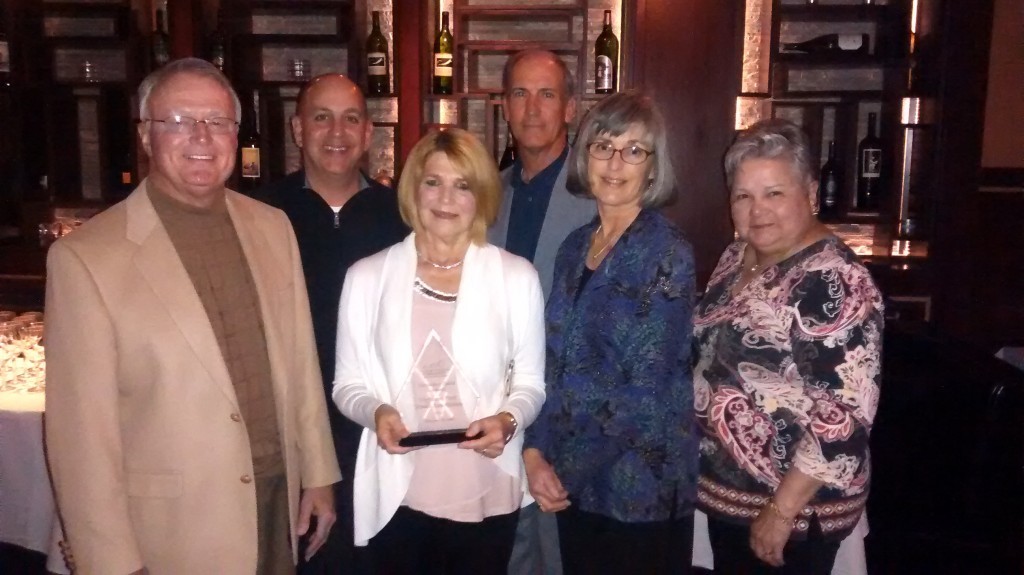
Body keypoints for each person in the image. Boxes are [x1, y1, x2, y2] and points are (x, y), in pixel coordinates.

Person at [44, 58, 340, 575]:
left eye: (218, 122)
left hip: (276, 502)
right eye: (179, 121)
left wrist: (318, 473)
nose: (202, 137)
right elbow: (80, 442)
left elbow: (300, 362)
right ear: (145, 135)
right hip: (173, 531)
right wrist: (110, 563)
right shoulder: (86, 258)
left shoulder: (272, 227)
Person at [333, 128, 546, 573]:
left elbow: (530, 384)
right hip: (399, 490)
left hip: (486, 484)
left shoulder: (517, 277)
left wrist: (508, 421)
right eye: (433, 182)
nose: (446, 198)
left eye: (462, 185)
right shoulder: (366, 277)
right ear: (414, 189)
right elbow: (346, 384)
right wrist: (376, 413)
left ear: (481, 195)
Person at [694, 119, 884, 574]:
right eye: (744, 196)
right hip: (731, 498)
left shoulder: (832, 279)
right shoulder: (737, 257)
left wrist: (780, 512)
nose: (758, 210)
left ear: (812, 195)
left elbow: (843, 418)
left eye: (774, 193)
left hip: (792, 513)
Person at [523, 90, 698, 574]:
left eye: (634, 150)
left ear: (653, 165)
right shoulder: (573, 247)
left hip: (640, 487)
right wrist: (535, 449)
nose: (616, 162)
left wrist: (560, 469)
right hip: (576, 484)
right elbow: (550, 361)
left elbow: (643, 392)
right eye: (603, 146)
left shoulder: (668, 252)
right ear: (585, 156)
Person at [255, 73, 409, 575]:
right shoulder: (259, 214)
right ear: (299, 129)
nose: (336, 132)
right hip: (291, 431)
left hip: (380, 430)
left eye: (350, 118)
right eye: (321, 117)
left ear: (369, 133)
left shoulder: (403, 216)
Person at [488, 48, 596, 575]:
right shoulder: (486, 194)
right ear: (504, 105)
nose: (532, 109)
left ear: (570, 107)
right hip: (496, 413)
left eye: (547, 94)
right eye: (520, 93)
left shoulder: (602, 196)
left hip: (572, 426)